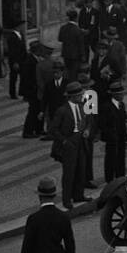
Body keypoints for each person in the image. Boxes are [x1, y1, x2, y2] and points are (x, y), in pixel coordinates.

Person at [49, 81, 91, 209]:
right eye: (79, 95)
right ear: (72, 96)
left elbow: (89, 120)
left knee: (81, 169)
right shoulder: (62, 110)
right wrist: (64, 141)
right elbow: (53, 129)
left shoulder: (83, 106)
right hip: (69, 143)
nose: (81, 97)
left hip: (81, 142)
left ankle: (79, 194)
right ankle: (67, 199)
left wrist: (87, 130)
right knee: (69, 173)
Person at [100, 79, 127, 183]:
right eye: (119, 94)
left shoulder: (121, 105)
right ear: (114, 95)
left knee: (121, 158)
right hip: (112, 137)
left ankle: (121, 177)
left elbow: (122, 116)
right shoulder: (106, 107)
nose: (122, 95)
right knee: (111, 159)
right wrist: (109, 134)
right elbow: (103, 124)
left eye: (122, 93)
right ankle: (109, 180)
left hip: (121, 136)